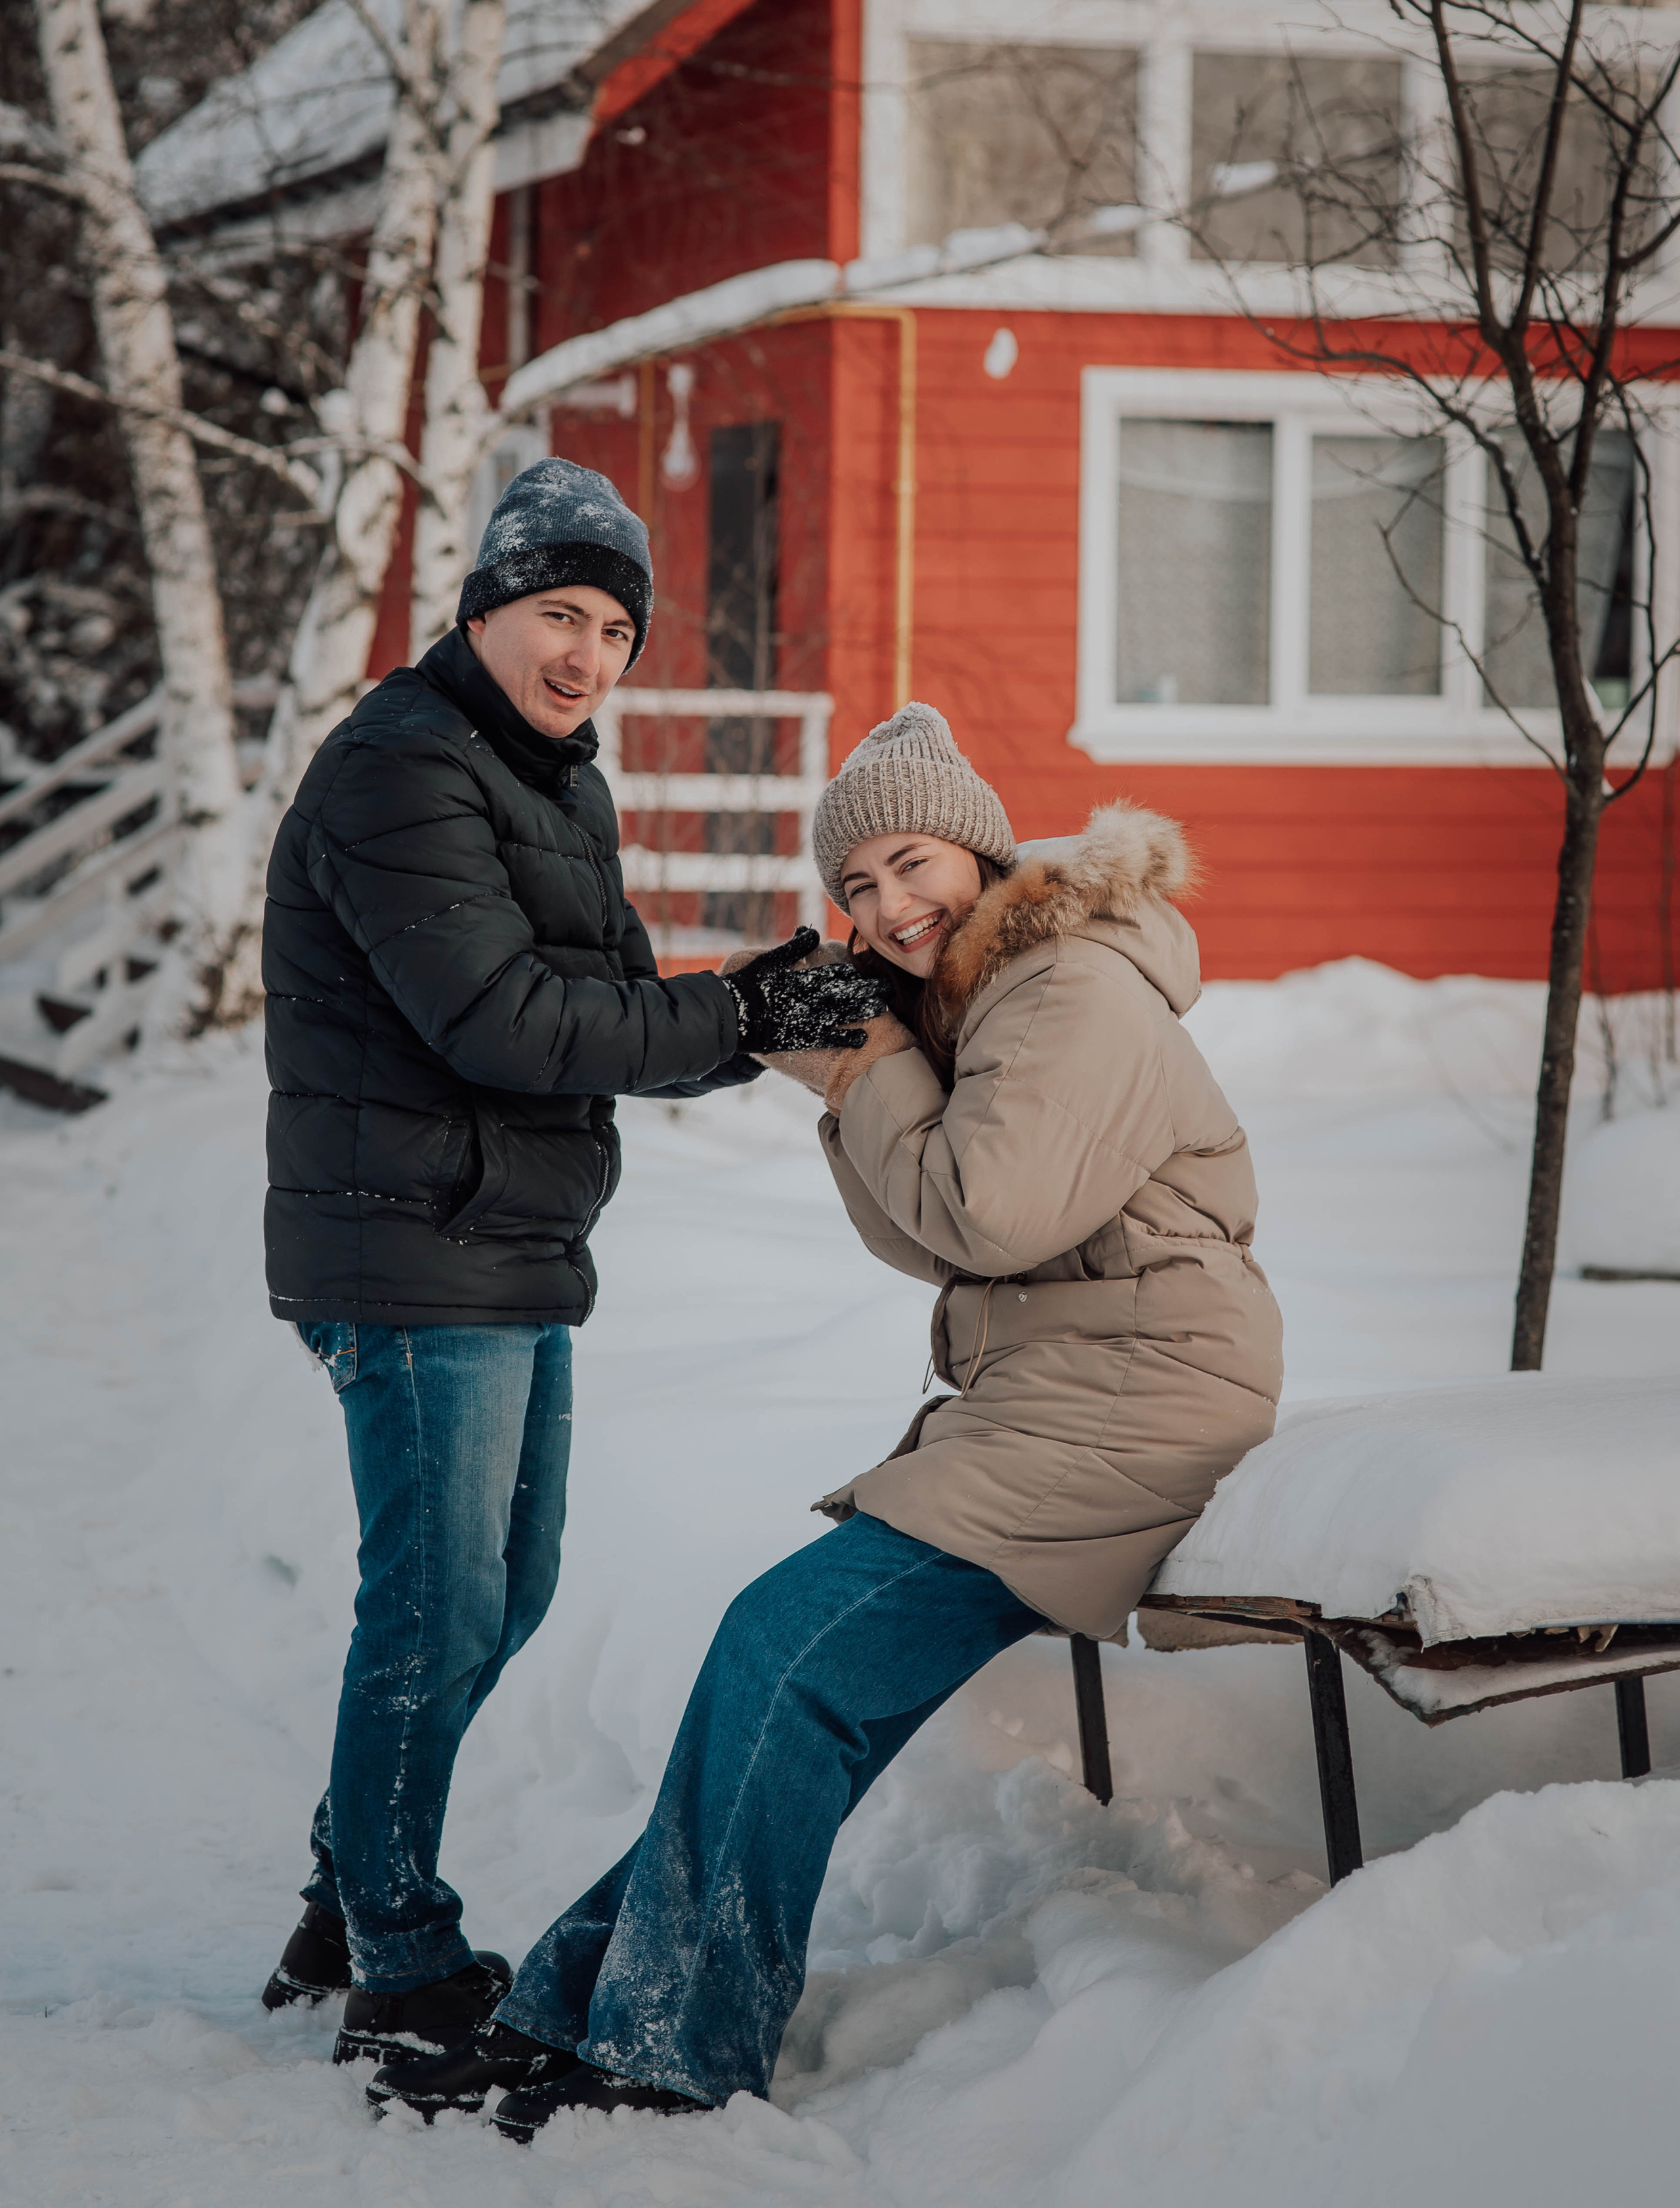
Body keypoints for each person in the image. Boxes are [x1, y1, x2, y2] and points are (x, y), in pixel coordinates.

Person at [368, 700, 1286, 2134]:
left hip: (1141, 1402)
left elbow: (981, 1214)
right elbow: (928, 1232)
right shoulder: (989, 997)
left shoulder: (1070, 992)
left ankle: (671, 2046)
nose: (886, 907)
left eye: (909, 865)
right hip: (1057, 1401)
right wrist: (860, 1060)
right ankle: (588, 2005)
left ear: (976, 854)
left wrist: (861, 1061)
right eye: (854, 888)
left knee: (783, 1651)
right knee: (783, 1667)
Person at [258, 459, 883, 2068]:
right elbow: (506, 1022)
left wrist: (753, 1012)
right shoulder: (402, 769)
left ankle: (345, 1895)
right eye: (558, 613)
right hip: (410, 1249)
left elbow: (603, 1008)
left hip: (504, 1242)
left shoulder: (550, 780)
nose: (586, 653)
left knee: (500, 1597)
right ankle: (395, 1954)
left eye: (614, 627)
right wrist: (741, 1012)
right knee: (434, 1609)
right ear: (482, 609)